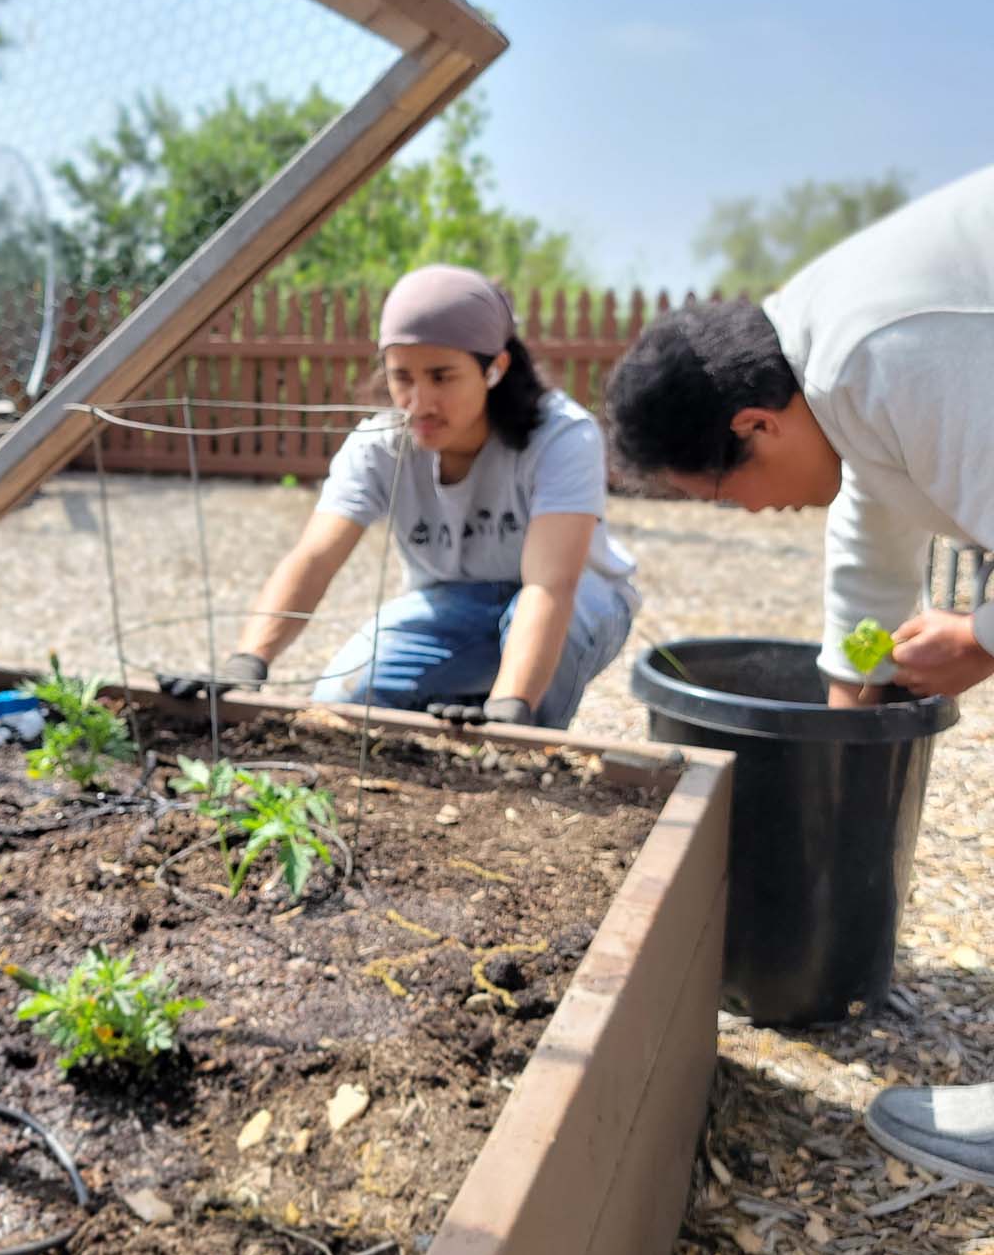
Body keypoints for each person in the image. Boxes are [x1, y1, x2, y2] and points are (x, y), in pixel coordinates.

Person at [604, 164, 994, 1181]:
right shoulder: (827, 353)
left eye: (727, 493)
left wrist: (984, 636)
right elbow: (875, 529)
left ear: (754, 426)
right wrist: (848, 699)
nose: (750, 513)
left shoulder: (881, 351)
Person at [166, 263, 639, 731]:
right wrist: (248, 660)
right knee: (342, 699)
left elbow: (548, 586)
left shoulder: (560, 436)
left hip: (576, 599)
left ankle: (529, 741)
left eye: (441, 376)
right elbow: (314, 557)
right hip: (455, 603)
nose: (419, 402)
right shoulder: (380, 446)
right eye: (402, 377)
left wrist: (511, 708)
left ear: (494, 369)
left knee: (543, 659)